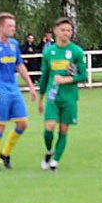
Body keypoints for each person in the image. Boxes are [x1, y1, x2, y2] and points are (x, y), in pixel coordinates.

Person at [0, 13, 37, 170]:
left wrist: (31, 85)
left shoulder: (14, 44)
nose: (13, 29)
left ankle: (5, 153)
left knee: (23, 123)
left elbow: (20, 65)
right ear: (1, 27)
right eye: (10, 26)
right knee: (0, 126)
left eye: (14, 26)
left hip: (13, 89)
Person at [37, 18, 86, 171]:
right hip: (53, 97)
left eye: (69, 30)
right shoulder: (48, 52)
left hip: (69, 97)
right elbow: (44, 76)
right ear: (56, 31)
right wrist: (40, 98)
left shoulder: (76, 52)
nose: (66, 33)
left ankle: (55, 160)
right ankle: (49, 150)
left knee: (63, 129)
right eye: (63, 30)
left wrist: (66, 79)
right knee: (49, 128)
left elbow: (83, 76)